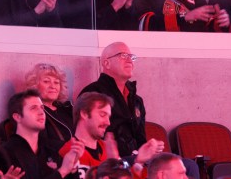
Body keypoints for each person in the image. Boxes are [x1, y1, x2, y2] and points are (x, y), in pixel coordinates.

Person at [80, 42, 200, 179]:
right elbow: (92, 135)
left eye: (131, 56)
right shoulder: (93, 93)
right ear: (106, 63)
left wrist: (150, 148)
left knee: (189, 166)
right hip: (113, 158)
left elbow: (140, 137)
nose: (129, 60)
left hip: (138, 155)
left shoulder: (136, 100)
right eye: (123, 55)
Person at [59, 92, 163, 178]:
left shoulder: (107, 149)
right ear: (84, 114)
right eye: (102, 115)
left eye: (108, 117)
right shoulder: (69, 152)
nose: (108, 122)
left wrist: (138, 161)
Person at [3, 90, 84, 179]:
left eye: (42, 108)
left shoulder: (52, 148)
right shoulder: (6, 152)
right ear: (17, 117)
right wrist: (62, 171)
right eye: (33, 108)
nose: (41, 112)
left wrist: (73, 167)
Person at [25, 63, 73, 152]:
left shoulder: (68, 109)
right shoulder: (33, 112)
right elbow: (40, 142)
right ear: (34, 85)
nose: (53, 86)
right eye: (46, 81)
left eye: (56, 82)